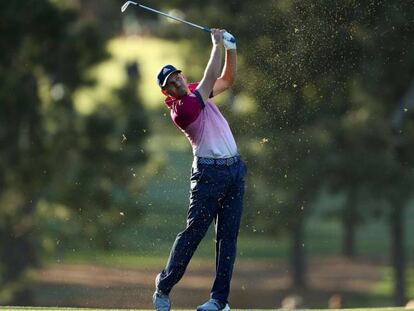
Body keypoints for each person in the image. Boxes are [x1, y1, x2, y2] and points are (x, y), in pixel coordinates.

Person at [153, 29, 246, 311]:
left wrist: (232, 48)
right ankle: (164, 286)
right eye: (171, 81)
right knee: (194, 233)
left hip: (234, 171)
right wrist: (217, 44)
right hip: (209, 175)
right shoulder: (182, 109)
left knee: (227, 238)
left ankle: (219, 301)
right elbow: (208, 81)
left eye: (178, 75)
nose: (178, 80)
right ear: (166, 92)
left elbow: (227, 80)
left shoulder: (195, 92)